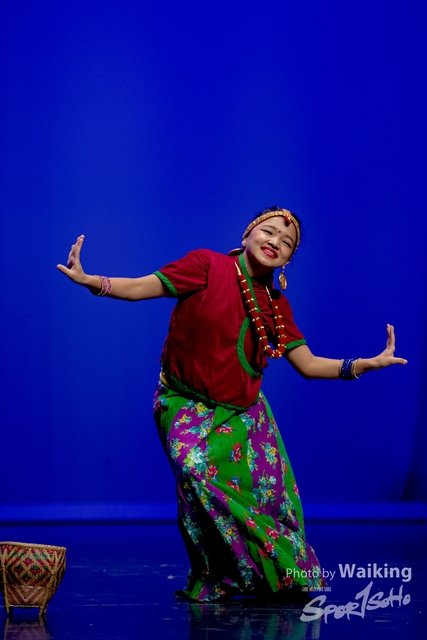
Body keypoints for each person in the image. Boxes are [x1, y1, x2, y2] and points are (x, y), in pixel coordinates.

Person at [57, 206, 407, 603]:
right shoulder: (207, 266)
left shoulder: (275, 305)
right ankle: (223, 573)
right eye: (269, 231)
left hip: (245, 414)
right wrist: (90, 280)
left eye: (287, 242)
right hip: (184, 401)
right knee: (194, 473)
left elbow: (308, 365)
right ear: (246, 235)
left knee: (268, 500)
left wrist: (363, 364)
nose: (275, 242)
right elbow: (140, 287)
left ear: (288, 260)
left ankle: (278, 575)